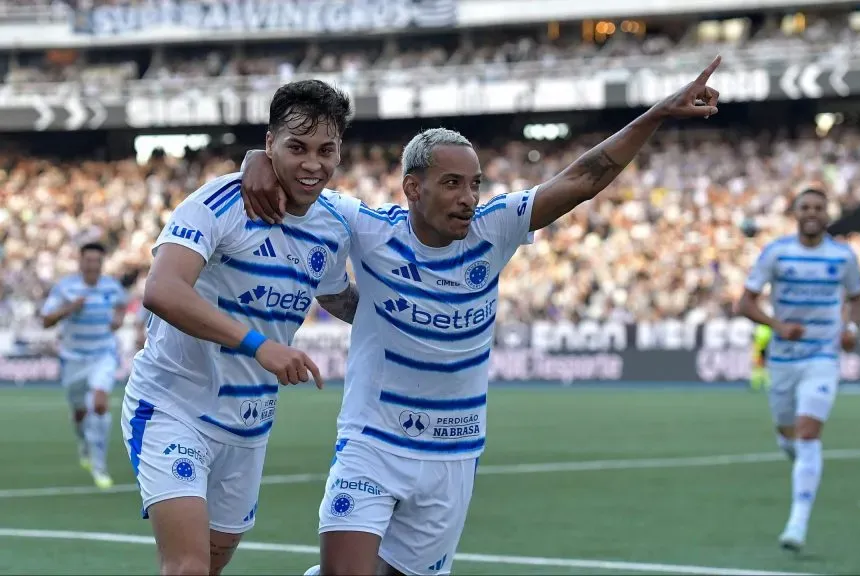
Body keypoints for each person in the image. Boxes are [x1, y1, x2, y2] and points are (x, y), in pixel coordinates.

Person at [240, 56, 724, 576]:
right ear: (412, 188)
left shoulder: (495, 229)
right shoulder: (368, 228)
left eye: (474, 184)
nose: (468, 198)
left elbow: (583, 178)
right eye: (451, 183)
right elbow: (301, 178)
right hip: (372, 446)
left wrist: (656, 114)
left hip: (453, 453)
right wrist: (256, 159)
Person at [122, 79, 360, 576]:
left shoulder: (334, 225)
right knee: (186, 566)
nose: (312, 163)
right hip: (173, 406)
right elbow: (162, 290)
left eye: (326, 149)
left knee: (209, 565)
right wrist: (259, 347)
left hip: (248, 425)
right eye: (296, 147)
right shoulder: (219, 203)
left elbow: (339, 296)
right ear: (270, 143)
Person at [737, 187, 860, 553]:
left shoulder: (843, 256)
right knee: (789, 437)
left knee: (808, 435)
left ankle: (797, 523)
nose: (812, 212)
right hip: (783, 358)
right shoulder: (776, 252)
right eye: (805, 207)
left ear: (827, 214)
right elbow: (744, 303)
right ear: (795, 212)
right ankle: (802, 463)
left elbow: (856, 296)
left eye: (818, 207)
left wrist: (851, 329)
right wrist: (778, 327)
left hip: (822, 356)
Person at [40, 242, 127, 489]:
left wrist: (118, 320)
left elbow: (122, 303)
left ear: (102, 263)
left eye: (97, 261)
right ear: (80, 261)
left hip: (103, 354)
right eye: (88, 260)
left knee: (99, 405)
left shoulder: (111, 286)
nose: (92, 265)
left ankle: (100, 467)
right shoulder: (66, 288)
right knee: (79, 413)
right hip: (73, 359)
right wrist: (69, 308)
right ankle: (84, 445)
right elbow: (46, 320)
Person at [751, 323, 772, 392]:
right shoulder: (767, 328)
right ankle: (766, 384)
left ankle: (756, 384)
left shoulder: (759, 328)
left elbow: (754, 338)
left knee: (758, 367)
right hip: (764, 349)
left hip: (760, 348)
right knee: (763, 367)